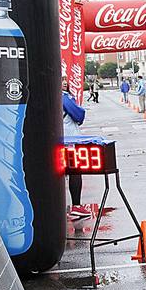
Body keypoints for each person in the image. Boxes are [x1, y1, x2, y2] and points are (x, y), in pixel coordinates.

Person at [61, 89, 87, 220]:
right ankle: (76, 206)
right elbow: (79, 114)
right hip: (70, 140)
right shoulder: (64, 97)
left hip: (55, 139)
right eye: (62, 79)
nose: (65, 82)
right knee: (75, 171)